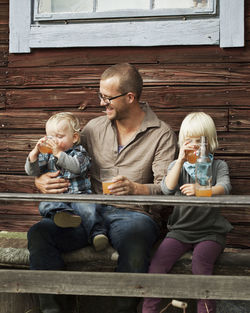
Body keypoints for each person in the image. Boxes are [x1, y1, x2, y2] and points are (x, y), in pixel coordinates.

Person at [28, 63, 177, 313]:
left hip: (134, 215)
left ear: (130, 98)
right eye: (101, 96)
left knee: (136, 243)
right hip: (87, 211)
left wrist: (136, 189)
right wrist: (39, 181)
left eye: (107, 98)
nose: (101, 103)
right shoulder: (92, 128)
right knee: (40, 234)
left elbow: (167, 190)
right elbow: (65, 158)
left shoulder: (161, 134)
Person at [142, 112, 233, 313]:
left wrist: (202, 190)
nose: (194, 145)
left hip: (210, 232)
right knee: (157, 266)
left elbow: (225, 187)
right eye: (189, 140)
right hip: (181, 230)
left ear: (209, 142)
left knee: (201, 268)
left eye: (200, 140)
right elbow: (167, 188)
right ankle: (149, 310)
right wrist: (181, 159)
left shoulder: (218, 166)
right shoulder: (177, 165)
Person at [25, 112, 108, 252]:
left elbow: (76, 167)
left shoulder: (80, 153)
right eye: (51, 137)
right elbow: (32, 171)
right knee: (45, 204)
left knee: (89, 209)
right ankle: (64, 216)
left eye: (60, 136)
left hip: (80, 197)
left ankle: (97, 234)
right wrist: (34, 153)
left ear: (74, 137)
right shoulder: (48, 155)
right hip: (58, 199)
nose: (55, 141)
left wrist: (58, 154)